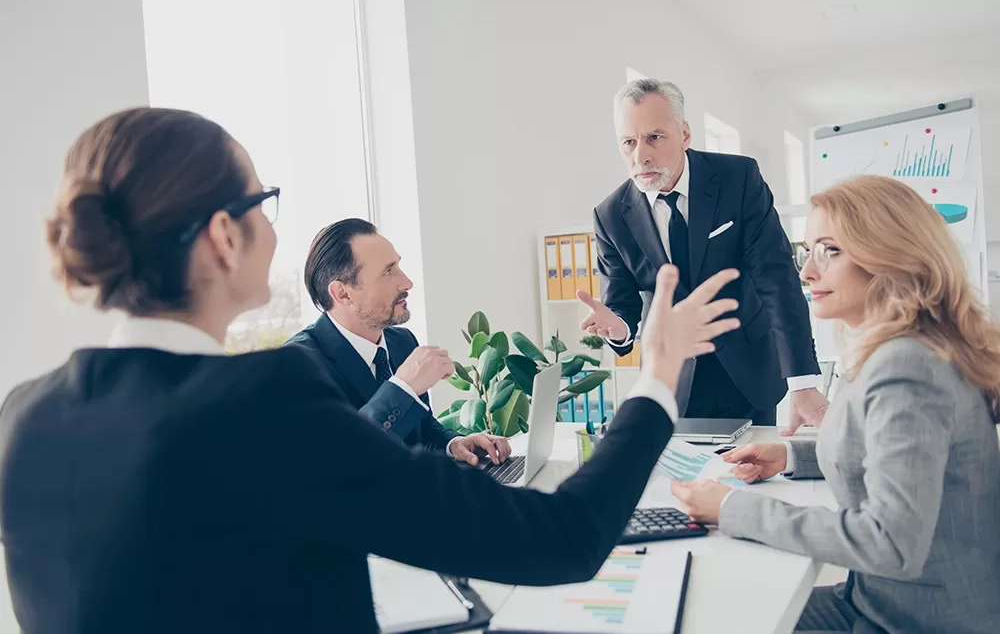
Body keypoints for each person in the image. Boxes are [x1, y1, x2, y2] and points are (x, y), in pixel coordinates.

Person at [0, 107, 742, 633]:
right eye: (264, 201)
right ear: (225, 236)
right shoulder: (263, 404)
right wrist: (657, 375)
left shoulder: (21, 416)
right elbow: (563, 537)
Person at [671, 175, 1000, 634]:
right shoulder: (904, 347)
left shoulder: (908, 366)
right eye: (807, 251)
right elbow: (901, 456)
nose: (806, 272)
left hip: (913, 620)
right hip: (880, 599)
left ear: (890, 255)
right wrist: (793, 456)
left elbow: (891, 543)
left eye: (830, 250)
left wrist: (731, 508)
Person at [578, 78, 827, 432]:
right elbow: (622, 306)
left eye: (654, 137)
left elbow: (776, 279)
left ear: (685, 133)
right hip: (670, 383)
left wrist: (802, 381)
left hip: (747, 371)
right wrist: (619, 329)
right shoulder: (610, 215)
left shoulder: (739, 179)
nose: (640, 156)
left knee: (752, 472)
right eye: (628, 142)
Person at [285, 218, 509, 466]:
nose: (407, 282)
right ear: (343, 293)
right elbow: (337, 460)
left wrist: (452, 444)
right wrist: (403, 387)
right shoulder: (298, 365)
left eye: (398, 266)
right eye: (388, 272)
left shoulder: (401, 341)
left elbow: (419, 429)